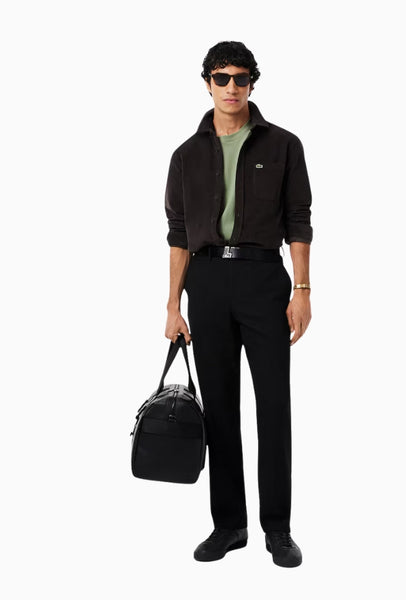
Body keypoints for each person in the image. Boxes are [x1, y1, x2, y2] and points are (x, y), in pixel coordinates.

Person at [163, 41, 312, 568]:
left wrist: (302, 290)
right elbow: (178, 234)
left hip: (262, 278)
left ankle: (278, 528)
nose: (232, 87)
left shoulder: (284, 144)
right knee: (221, 408)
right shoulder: (186, 155)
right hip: (205, 282)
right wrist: (172, 304)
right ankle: (229, 525)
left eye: (241, 78)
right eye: (222, 78)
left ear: (252, 83)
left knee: (273, 404)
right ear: (207, 83)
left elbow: (298, 219)